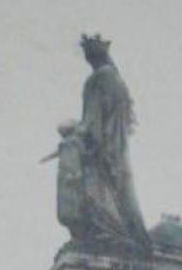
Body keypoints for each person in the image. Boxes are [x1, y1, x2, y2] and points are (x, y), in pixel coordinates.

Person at [56, 34, 152, 256]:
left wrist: (73, 135)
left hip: (99, 148)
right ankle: (125, 235)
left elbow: (92, 122)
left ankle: (106, 233)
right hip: (114, 148)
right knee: (120, 191)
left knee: (95, 189)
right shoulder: (117, 80)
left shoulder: (97, 80)